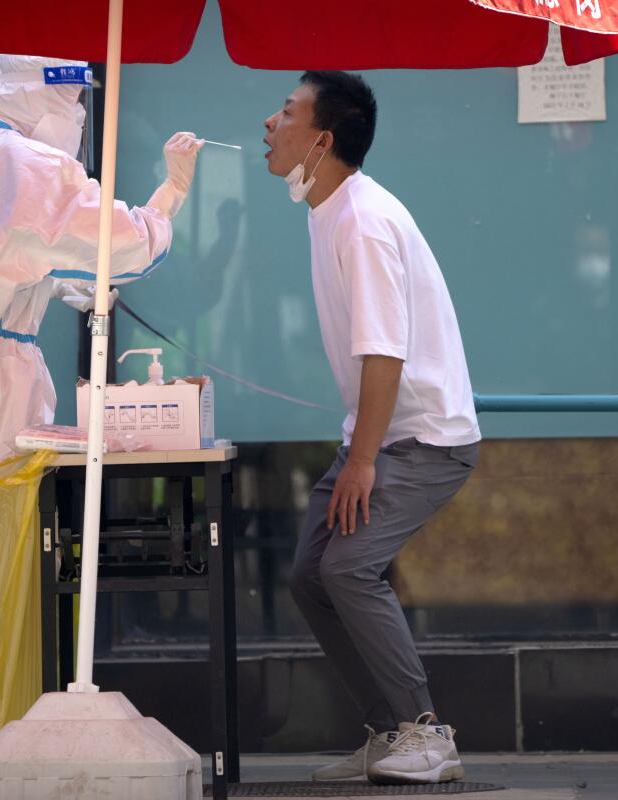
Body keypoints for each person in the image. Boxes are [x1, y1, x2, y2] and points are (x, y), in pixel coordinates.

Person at [263, 71, 481, 784]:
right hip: (382, 431)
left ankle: (426, 734)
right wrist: (361, 450)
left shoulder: (363, 219)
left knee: (348, 567)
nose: (270, 122)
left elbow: (383, 349)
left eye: (287, 112)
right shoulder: (327, 208)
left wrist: (361, 463)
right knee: (309, 576)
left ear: (321, 140)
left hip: (423, 439)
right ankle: (390, 735)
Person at [0, 53, 203, 482]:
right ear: (37, 95)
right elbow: (125, 244)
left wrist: (58, 283)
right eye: (70, 100)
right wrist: (173, 190)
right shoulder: (29, 165)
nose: (76, 114)